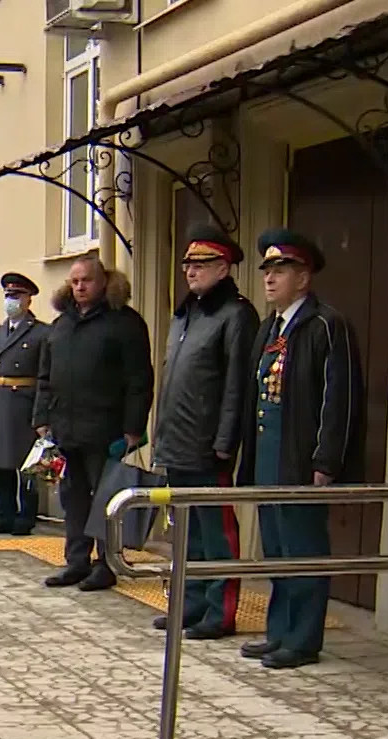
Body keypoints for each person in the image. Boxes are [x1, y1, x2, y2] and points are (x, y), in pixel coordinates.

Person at [238, 228, 363, 670]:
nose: (270, 278)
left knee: (303, 548)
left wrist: (326, 460)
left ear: (304, 277)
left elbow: (338, 398)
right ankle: (279, 632)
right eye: (268, 270)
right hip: (269, 456)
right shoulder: (270, 328)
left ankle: (304, 638)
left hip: (301, 458)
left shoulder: (326, 325)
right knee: (275, 549)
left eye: (282, 269)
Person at [151, 224, 258, 639]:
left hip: (207, 444)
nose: (191, 271)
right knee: (187, 532)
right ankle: (190, 604)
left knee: (216, 532)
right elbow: (173, 380)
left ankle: (220, 611)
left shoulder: (235, 315)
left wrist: (224, 441)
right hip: (177, 440)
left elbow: (235, 383)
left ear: (224, 267)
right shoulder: (185, 314)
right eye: (187, 263)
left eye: (202, 263)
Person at [33, 254, 153, 592]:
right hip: (65, 428)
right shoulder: (61, 325)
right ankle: (76, 561)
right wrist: (41, 419)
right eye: (74, 281)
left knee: (107, 499)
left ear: (103, 282)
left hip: (106, 429)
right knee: (73, 499)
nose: (80, 287)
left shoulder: (124, 323)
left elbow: (139, 380)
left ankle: (106, 563)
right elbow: (45, 376)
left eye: (86, 280)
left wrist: (133, 428)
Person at [0, 272, 48, 536]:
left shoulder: (41, 333)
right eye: (8, 296)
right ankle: (4, 514)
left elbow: (44, 376)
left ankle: (26, 516)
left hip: (24, 404)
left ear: (28, 300)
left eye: (16, 296)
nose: (11, 301)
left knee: (26, 465)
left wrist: (41, 414)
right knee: (0, 464)